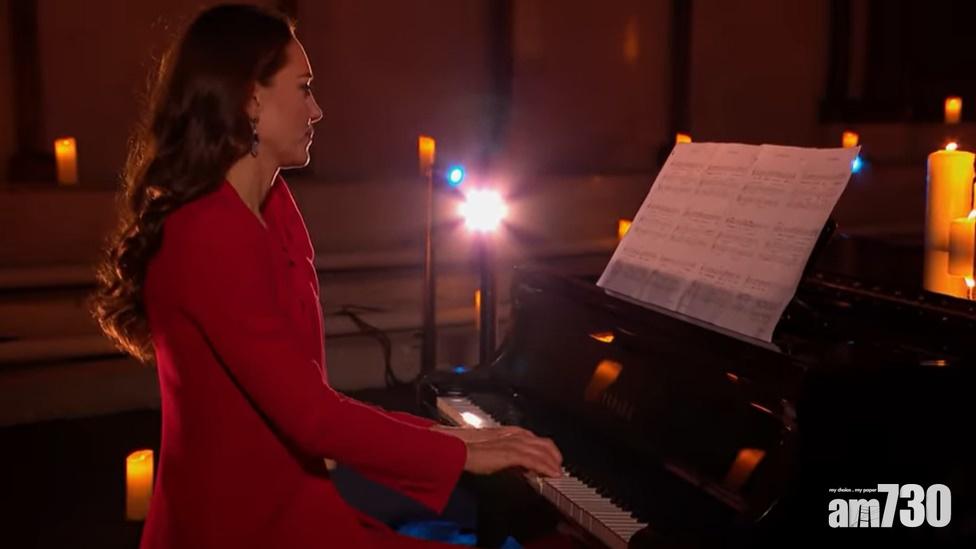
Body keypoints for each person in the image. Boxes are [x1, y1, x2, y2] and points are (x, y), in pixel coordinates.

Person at [90, 5, 562, 548]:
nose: (316, 110)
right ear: (251, 99)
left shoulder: (272, 208)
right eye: (304, 88)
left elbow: (310, 398)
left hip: (291, 509)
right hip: (236, 527)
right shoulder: (206, 231)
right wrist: (461, 452)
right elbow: (311, 417)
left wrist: (457, 438)